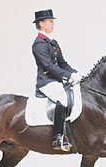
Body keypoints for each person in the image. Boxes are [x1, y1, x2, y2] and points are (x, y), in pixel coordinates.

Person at [32, 9, 82, 152]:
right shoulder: (39, 44)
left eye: (53, 22)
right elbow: (48, 66)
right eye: (50, 21)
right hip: (46, 81)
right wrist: (67, 76)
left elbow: (62, 63)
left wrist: (75, 73)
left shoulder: (52, 42)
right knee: (63, 99)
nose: (53, 24)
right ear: (41, 23)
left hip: (57, 79)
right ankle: (58, 137)